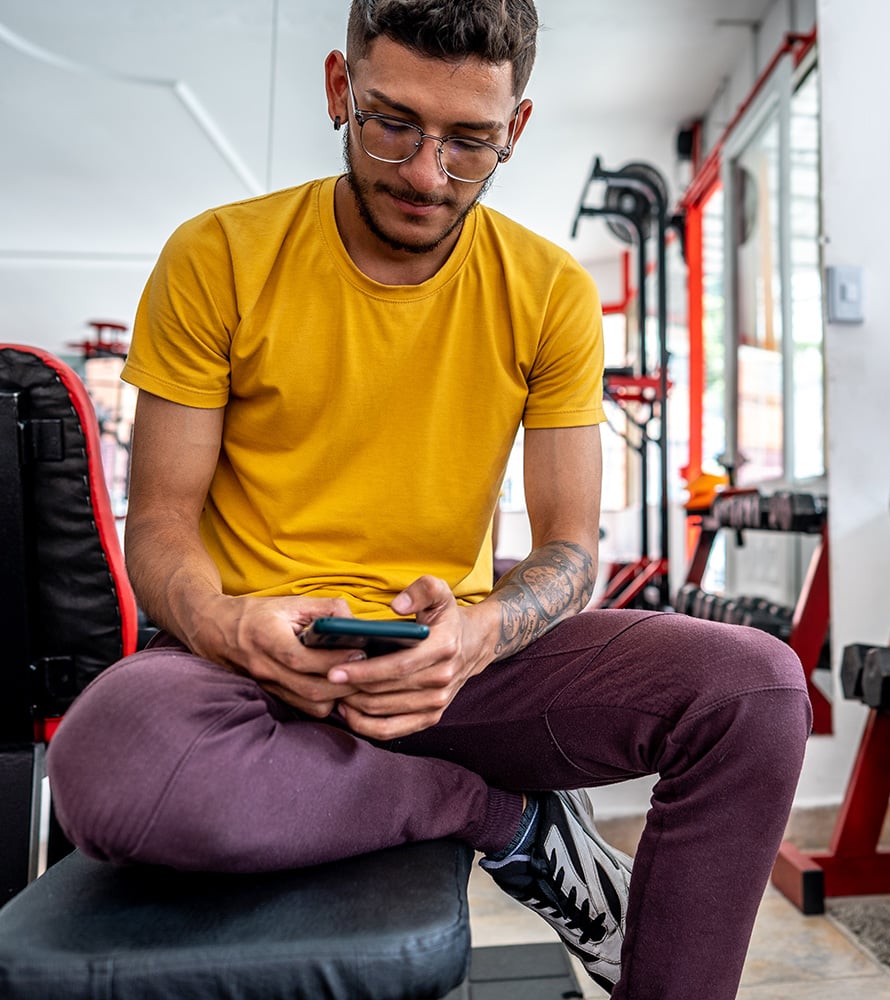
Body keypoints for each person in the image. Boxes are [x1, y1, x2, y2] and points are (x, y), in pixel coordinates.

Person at [46, 2, 812, 997]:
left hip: (447, 664)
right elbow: (156, 525)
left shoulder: (547, 292)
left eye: (469, 141)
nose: (424, 172)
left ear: (516, 129)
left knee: (755, 689)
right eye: (393, 122)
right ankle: (509, 821)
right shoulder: (217, 256)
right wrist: (232, 626)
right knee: (115, 766)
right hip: (245, 666)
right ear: (339, 89)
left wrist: (483, 631)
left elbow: (571, 547)